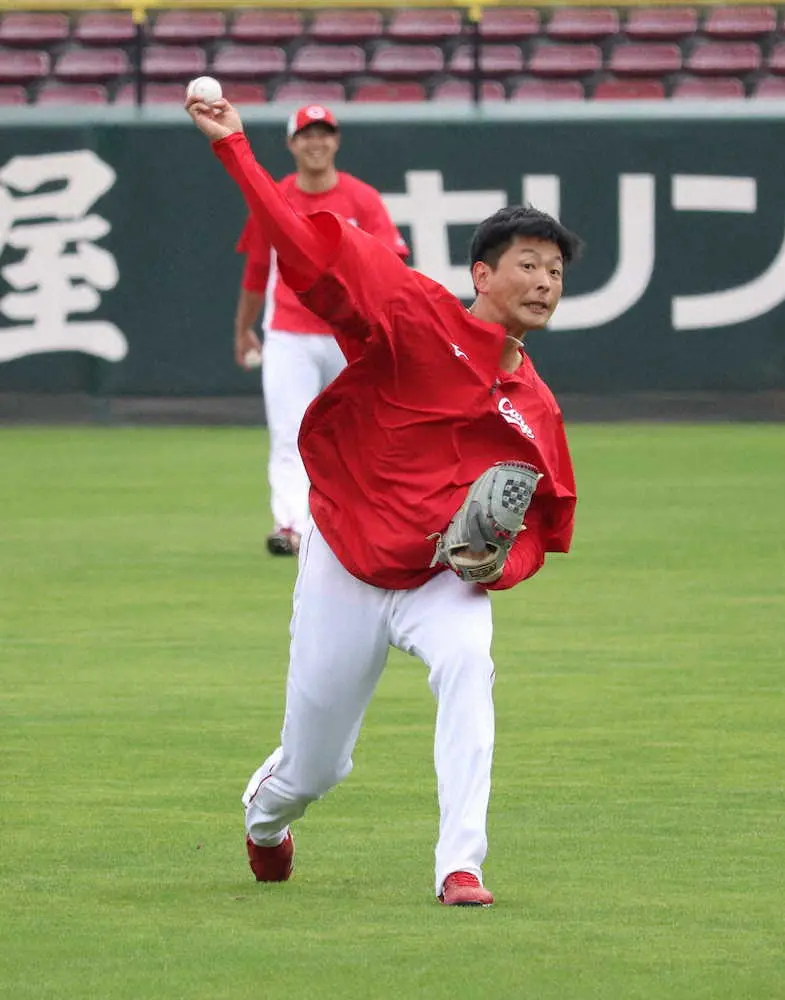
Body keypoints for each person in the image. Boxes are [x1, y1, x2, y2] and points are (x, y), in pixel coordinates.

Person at [185, 93, 581, 907]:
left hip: (440, 578)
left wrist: (495, 565)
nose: (544, 281)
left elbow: (546, 523)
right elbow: (303, 247)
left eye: (555, 270)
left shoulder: (534, 405)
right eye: (528, 264)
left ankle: (459, 865)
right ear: (483, 273)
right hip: (346, 561)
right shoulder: (412, 312)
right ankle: (266, 822)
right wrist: (234, 150)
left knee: (471, 664)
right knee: (315, 766)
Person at [234, 104, 409, 557]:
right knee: (290, 431)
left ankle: (361, 522)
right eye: (306, 134)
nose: (316, 142)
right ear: (291, 144)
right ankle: (290, 524)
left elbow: (390, 266)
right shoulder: (273, 197)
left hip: (348, 334)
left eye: (324, 133)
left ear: (336, 140)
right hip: (289, 332)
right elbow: (257, 270)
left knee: (358, 433)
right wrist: (243, 328)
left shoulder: (362, 199)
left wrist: (389, 328)